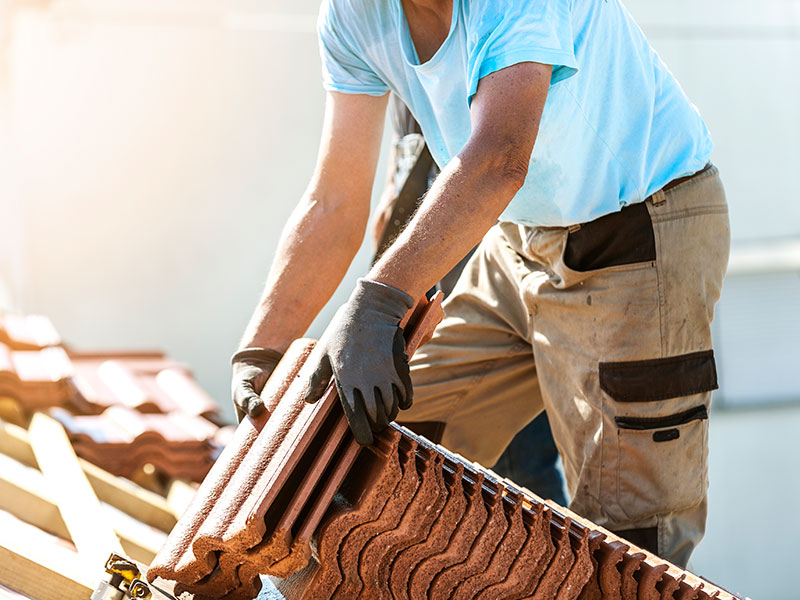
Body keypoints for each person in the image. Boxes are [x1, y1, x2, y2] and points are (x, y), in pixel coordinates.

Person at [231, 0, 729, 568]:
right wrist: (262, 349)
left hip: (637, 234)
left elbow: (500, 156)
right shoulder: (354, 15)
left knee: (629, 550)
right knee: (377, 451)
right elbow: (334, 200)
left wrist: (376, 303)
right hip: (519, 238)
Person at [373, 94, 568, 506]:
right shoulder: (401, 74)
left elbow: (502, 165)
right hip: (441, 319)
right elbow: (399, 187)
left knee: (518, 494)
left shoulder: (483, 49)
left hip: (500, 316)